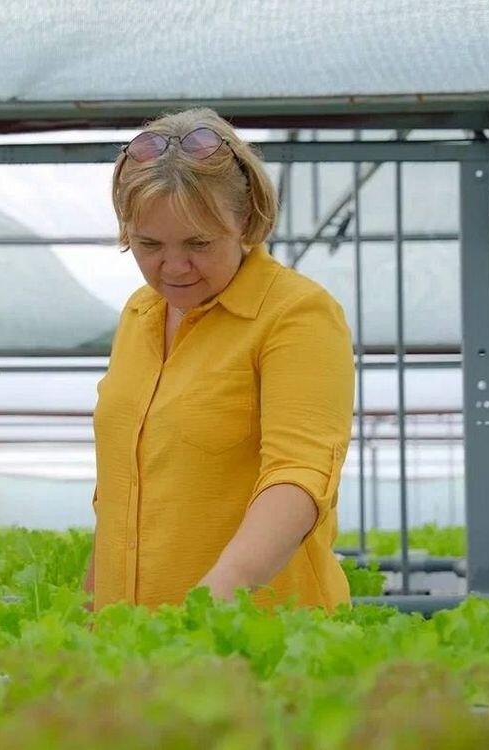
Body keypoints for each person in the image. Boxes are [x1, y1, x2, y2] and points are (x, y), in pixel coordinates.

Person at [85, 108, 354, 612]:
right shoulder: (139, 315)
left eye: (199, 243)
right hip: (131, 642)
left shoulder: (297, 315)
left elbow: (298, 479)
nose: (173, 266)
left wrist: (212, 603)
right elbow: (119, 498)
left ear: (246, 221)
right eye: (148, 244)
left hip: (251, 636)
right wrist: (89, 617)